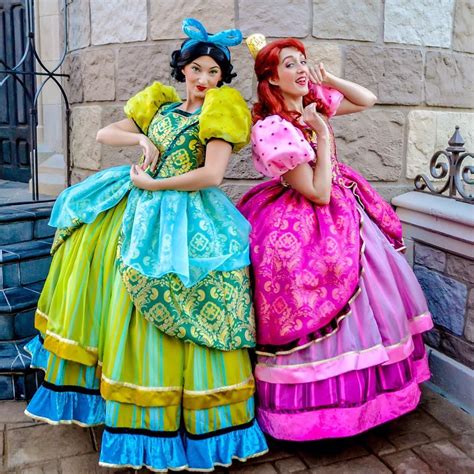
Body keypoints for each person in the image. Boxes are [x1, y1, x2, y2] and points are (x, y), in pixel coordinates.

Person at [24, 19, 268, 471]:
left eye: (214, 72)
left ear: (222, 78)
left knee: (185, 291)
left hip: (187, 214)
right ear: (183, 69)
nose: (204, 78)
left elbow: (212, 176)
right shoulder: (159, 104)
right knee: (113, 292)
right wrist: (139, 138)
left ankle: (185, 419)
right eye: (197, 68)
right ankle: (123, 403)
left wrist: (158, 187)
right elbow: (105, 134)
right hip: (135, 204)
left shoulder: (221, 112)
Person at [237, 36, 434, 441]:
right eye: (290, 65)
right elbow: (318, 192)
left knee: (374, 293)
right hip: (300, 217)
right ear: (272, 80)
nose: (301, 70)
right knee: (312, 289)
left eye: (304, 62)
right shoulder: (272, 128)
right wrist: (322, 136)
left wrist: (330, 79)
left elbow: (367, 99)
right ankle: (316, 413)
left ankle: (372, 402)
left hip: (347, 211)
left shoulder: (313, 104)